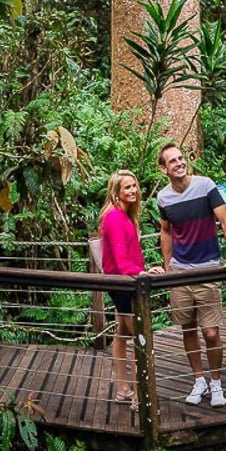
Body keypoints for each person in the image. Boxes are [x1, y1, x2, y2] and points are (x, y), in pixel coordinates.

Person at [157, 142, 226, 408]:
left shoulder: (206, 185)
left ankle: (216, 383)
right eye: (173, 161)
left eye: (181, 158)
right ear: (164, 169)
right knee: (188, 329)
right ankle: (199, 380)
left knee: (210, 332)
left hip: (207, 267)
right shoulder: (164, 198)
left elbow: (225, 219)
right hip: (181, 272)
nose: (180, 163)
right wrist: (168, 265)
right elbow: (166, 230)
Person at [99, 169, 147, 404]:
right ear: (116, 192)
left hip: (126, 281)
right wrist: (142, 273)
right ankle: (140, 399)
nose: (133, 190)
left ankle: (123, 388)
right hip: (123, 283)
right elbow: (119, 258)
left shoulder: (125, 215)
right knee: (140, 336)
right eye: (127, 187)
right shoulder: (115, 217)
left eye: (134, 186)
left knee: (122, 333)